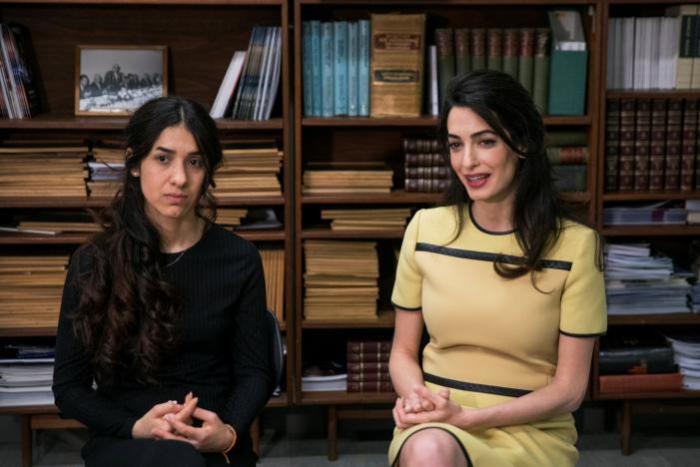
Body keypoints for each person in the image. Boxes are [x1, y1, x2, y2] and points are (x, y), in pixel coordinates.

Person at [388, 70, 607, 467]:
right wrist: (419, 399)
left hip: (533, 430)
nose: (467, 161)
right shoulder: (424, 229)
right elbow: (403, 352)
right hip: (440, 422)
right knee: (428, 449)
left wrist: (473, 418)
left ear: (521, 143)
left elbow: (571, 390)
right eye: (456, 145)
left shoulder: (576, 246)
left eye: (486, 142)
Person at [53, 96, 274, 467]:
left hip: (212, 438)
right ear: (135, 163)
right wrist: (135, 426)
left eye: (195, 162)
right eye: (162, 158)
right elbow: (69, 387)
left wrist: (229, 431)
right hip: (127, 438)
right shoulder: (93, 262)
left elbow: (255, 371)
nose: (180, 178)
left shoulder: (239, 258)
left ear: (208, 171)